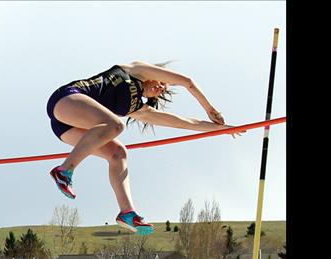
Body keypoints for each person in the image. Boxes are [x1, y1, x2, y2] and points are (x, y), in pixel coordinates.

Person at [46, 60, 243, 236]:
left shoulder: (138, 109)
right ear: (156, 74)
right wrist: (210, 109)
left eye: (163, 89)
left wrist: (222, 130)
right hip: (66, 100)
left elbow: (185, 123)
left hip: (65, 127)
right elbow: (187, 81)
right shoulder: (134, 70)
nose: (161, 87)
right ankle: (64, 171)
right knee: (116, 125)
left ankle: (127, 212)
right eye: (162, 82)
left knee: (118, 153)